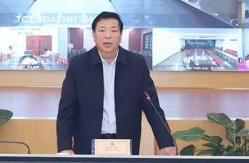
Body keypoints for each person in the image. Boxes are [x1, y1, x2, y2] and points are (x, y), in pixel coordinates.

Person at [57, 11, 176, 155]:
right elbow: (66, 110)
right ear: (93, 35)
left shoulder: (136, 64)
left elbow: (152, 106)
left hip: (126, 142)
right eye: (102, 30)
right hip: (87, 144)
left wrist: (166, 142)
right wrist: (64, 146)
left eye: (113, 30)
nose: (107, 36)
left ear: (120, 35)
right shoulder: (78, 65)